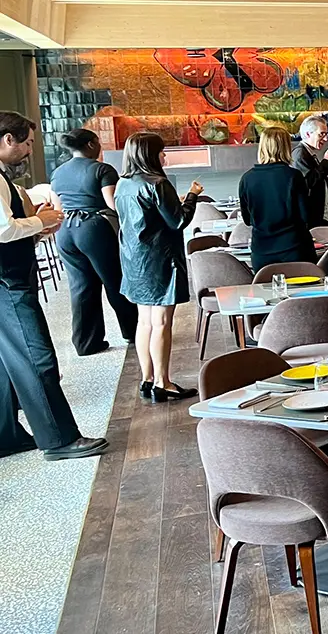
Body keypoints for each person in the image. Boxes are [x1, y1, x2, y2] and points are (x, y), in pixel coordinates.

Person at [0, 112, 108, 460]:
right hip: (8, 282)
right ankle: (59, 439)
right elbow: (3, 230)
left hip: (9, 277)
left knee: (8, 363)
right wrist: (38, 220)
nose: (30, 150)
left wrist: (36, 228)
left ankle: (8, 435)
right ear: (8, 140)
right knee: (37, 358)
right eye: (28, 142)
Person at [116, 132, 202, 403]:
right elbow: (177, 222)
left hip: (134, 260)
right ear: (150, 154)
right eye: (161, 151)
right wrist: (191, 196)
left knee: (144, 321)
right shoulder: (158, 183)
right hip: (160, 258)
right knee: (162, 322)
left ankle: (147, 378)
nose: (165, 156)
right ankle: (163, 382)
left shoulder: (123, 184)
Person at [49, 128, 137, 355]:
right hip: (93, 229)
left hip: (65, 231)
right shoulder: (101, 169)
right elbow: (112, 203)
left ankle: (87, 343)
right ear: (90, 145)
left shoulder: (58, 172)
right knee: (115, 280)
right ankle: (133, 332)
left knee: (80, 286)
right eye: (98, 142)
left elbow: (58, 208)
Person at [239, 127, 316, 273]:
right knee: (301, 294)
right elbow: (306, 216)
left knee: (266, 293)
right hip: (295, 248)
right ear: (286, 147)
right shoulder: (293, 176)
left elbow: (247, 219)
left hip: (261, 251)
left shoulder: (247, 179)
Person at [292, 115, 328, 228]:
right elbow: (307, 183)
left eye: (326, 134)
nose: (325, 139)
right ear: (308, 134)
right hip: (311, 217)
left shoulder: (308, 152)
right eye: (321, 134)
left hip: (321, 214)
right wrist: (326, 162)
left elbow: (315, 177)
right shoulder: (300, 153)